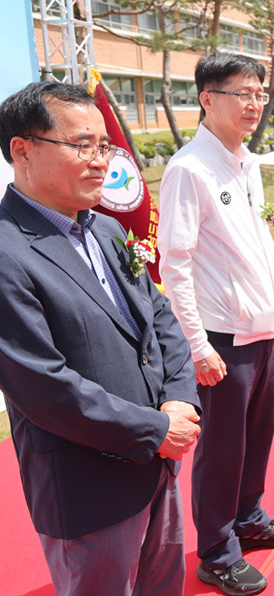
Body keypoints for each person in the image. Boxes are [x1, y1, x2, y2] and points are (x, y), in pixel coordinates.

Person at [0, 81, 201, 595]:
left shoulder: (107, 230)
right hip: (87, 487)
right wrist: (155, 429)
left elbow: (160, 321)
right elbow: (44, 387)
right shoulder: (7, 253)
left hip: (158, 466)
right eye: (81, 145)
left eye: (103, 146)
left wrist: (178, 399)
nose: (100, 161)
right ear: (22, 150)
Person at [158, 52, 274, 596]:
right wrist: (196, 344)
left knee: (256, 438)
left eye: (260, 94)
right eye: (243, 93)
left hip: (262, 328)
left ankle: (249, 518)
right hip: (220, 337)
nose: (255, 105)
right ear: (207, 98)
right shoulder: (189, 169)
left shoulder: (248, 163)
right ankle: (216, 552)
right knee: (222, 449)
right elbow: (175, 263)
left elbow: (256, 243)